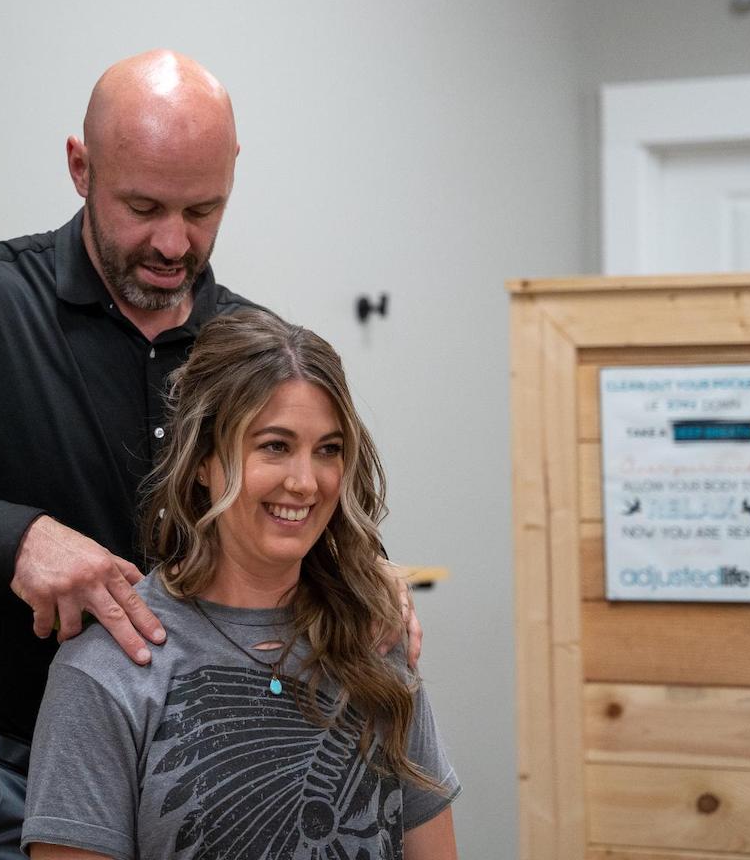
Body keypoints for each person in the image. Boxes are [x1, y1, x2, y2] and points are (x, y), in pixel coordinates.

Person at [0, 50, 422, 857]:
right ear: (80, 167)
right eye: (143, 205)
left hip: (197, 787)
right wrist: (11, 540)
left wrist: (369, 573)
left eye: (202, 211)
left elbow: (296, 501)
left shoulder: (246, 346)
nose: (172, 242)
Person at [23, 310, 459, 859]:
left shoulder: (375, 638)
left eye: (328, 449)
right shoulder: (107, 672)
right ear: (203, 460)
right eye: (274, 446)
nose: (305, 482)